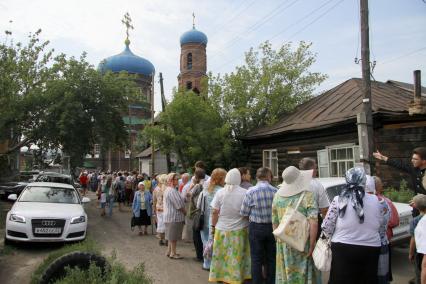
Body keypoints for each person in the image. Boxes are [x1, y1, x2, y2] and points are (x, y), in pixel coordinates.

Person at [321, 167, 388, 284]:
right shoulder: (379, 201)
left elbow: (327, 226)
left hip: (343, 247)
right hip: (371, 247)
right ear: (364, 181)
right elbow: (382, 227)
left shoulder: (338, 200)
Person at [272, 166, 318, 283]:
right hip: (302, 241)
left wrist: (278, 240)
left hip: (284, 242)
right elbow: (313, 223)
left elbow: (275, 221)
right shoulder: (307, 195)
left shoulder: (277, 196)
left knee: (287, 273)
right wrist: (312, 244)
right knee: (303, 272)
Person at [209, 168, 251, 283]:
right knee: (237, 256)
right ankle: (237, 277)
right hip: (240, 229)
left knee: (222, 255)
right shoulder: (245, 192)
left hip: (221, 229)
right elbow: (247, 213)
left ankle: (222, 277)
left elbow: (214, 212)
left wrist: (213, 227)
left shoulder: (220, 192)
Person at [240, 167, 277, 284]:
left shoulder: (250, 191)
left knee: (256, 258)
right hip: (272, 227)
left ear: (257, 177)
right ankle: (271, 281)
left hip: (256, 227)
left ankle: (257, 281)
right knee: (271, 257)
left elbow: (244, 213)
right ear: (269, 177)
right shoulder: (275, 191)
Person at [373, 147, 426, 215]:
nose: (412, 161)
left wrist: (421, 202)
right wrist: (383, 158)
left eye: (415, 159)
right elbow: (400, 165)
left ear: (424, 161)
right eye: (412, 158)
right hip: (417, 208)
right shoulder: (414, 169)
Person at [197, 168, 226, 270]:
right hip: (215, 220)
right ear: (221, 178)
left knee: (206, 241)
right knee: (214, 241)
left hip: (203, 219)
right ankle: (214, 265)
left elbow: (199, 205)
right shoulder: (221, 191)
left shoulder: (206, 189)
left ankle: (206, 263)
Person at [375, 176, 399, 283]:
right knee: (383, 272)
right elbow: (394, 221)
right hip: (383, 241)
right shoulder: (385, 201)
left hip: (365, 242)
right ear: (380, 187)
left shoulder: (362, 201)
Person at [163, 173, 186, 259]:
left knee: (170, 236)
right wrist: (185, 212)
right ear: (171, 180)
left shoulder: (170, 189)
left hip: (171, 216)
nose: (178, 181)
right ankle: (173, 253)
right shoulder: (171, 190)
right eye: (176, 179)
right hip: (174, 217)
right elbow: (178, 205)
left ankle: (169, 251)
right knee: (173, 236)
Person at [188, 168, 206, 261]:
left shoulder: (197, 185)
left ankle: (199, 256)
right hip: (205, 211)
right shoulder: (206, 183)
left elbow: (189, 194)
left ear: (196, 176)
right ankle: (204, 254)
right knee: (203, 234)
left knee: (196, 234)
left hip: (197, 212)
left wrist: (192, 185)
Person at [409, 194, 426, 284]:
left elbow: (413, 239)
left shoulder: (415, 220)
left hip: (419, 251)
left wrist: (410, 253)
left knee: (419, 270)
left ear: (416, 206)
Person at [153, 174, 168, 245]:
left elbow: (154, 200)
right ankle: (165, 239)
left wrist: (154, 209)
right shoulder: (166, 188)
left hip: (158, 208)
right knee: (165, 223)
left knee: (160, 223)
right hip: (165, 208)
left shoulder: (155, 189)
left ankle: (161, 239)